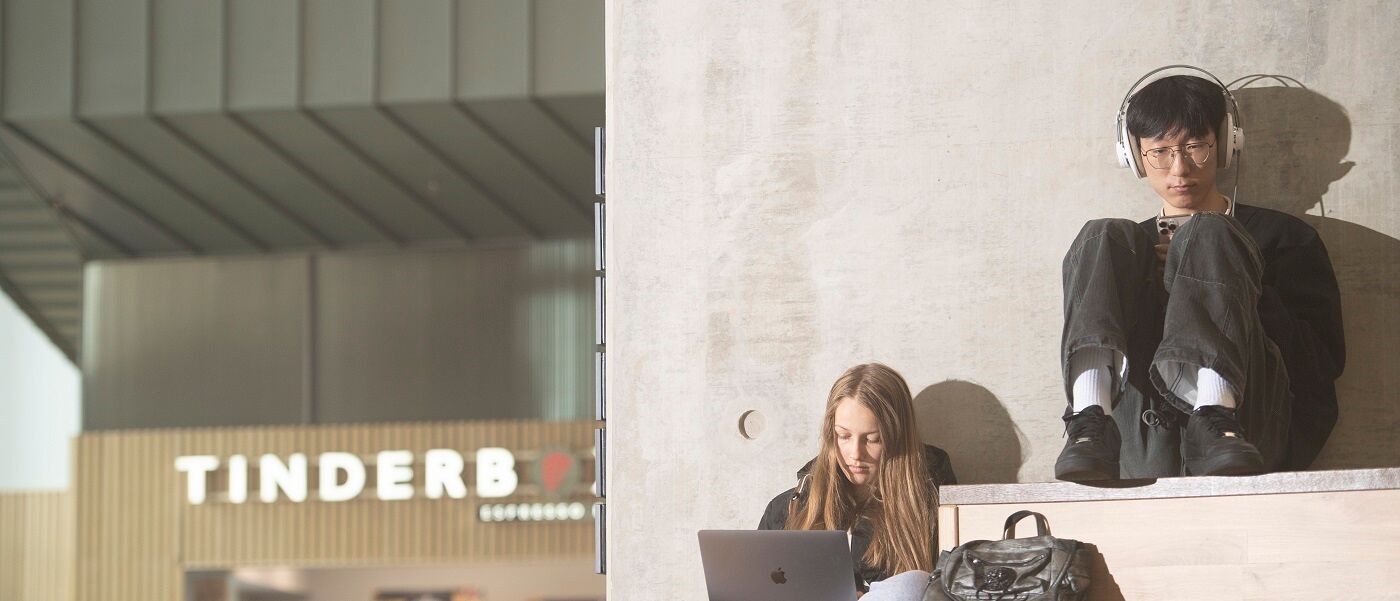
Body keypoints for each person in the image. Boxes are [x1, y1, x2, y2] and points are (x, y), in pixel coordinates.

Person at [1054, 71, 1345, 482]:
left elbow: (1322, 365)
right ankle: (1088, 424)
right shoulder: (1124, 249)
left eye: (1196, 147)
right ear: (1134, 156)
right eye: (1160, 152)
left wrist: (1234, 283)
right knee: (1100, 232)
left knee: (1210, 231)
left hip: (1248, 429)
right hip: (1142, 440)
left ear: (1225, 145)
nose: (1180, 168)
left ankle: (1216, 413)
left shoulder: (1285, 238)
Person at [758, 363, 957, 599]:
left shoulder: (933, 503)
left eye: (873, 439)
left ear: (897, 436)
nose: (855, 453)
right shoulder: (789, 508)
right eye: (843, 436)